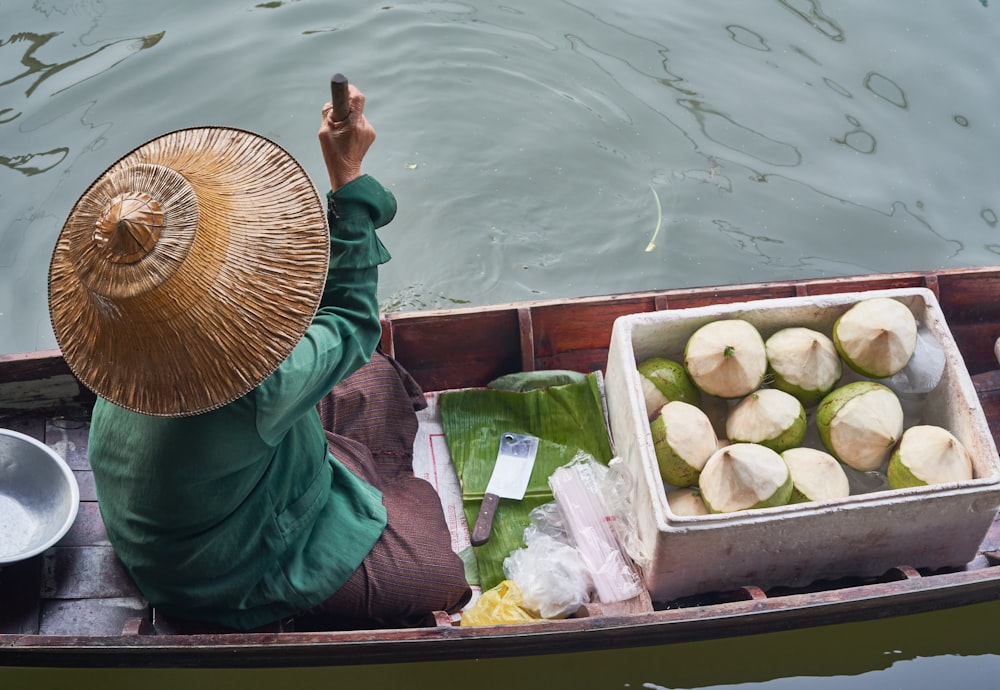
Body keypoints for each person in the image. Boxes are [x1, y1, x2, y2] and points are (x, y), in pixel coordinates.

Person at [47, 83, 471, 631]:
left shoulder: (124, 344)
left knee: (373, 379)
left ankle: (359, 484)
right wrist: (347, 177)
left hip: (189, 505)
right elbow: (352, 320)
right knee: (439, 572)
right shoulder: (259, 392)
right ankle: (370, 505)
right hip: (219, 574)